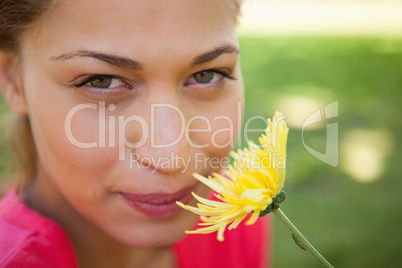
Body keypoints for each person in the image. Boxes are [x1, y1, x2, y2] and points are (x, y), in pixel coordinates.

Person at [0, 0, 271, 267]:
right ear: (14, 81)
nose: (172, 157)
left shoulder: (235, 215)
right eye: (101, 81)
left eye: (206, 75)